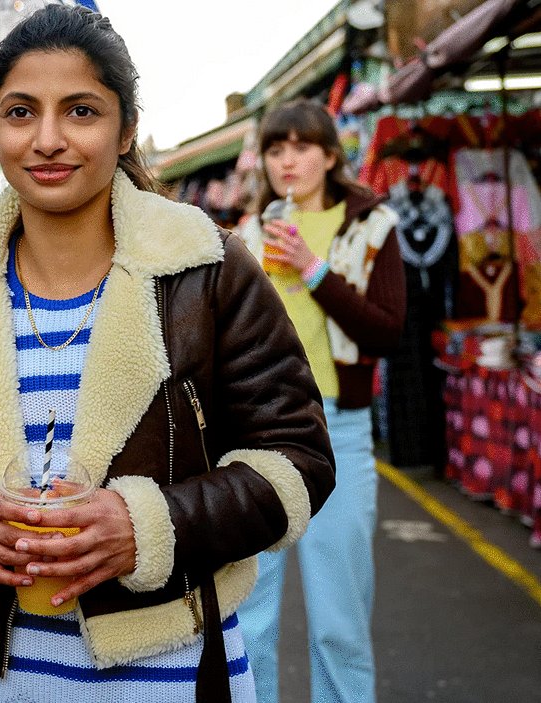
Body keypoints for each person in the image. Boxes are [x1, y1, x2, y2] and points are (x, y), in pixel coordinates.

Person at [0, 6, 335, 703]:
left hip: (167, 674)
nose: (47, 139)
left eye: (80, 110)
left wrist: (150, 525)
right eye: (21, 112)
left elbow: (297, 461)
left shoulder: (207, 268)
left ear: (126, 127)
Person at [235, 98, 406, 703]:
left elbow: (387, 331)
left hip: (339, 429)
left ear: (330, 155)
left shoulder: (371, 226)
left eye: (302, 147)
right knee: (250, 614)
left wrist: (312, 270)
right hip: (256, 434)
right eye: (277, 148)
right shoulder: (247, 235)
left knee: (339, 618)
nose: (289, 161)